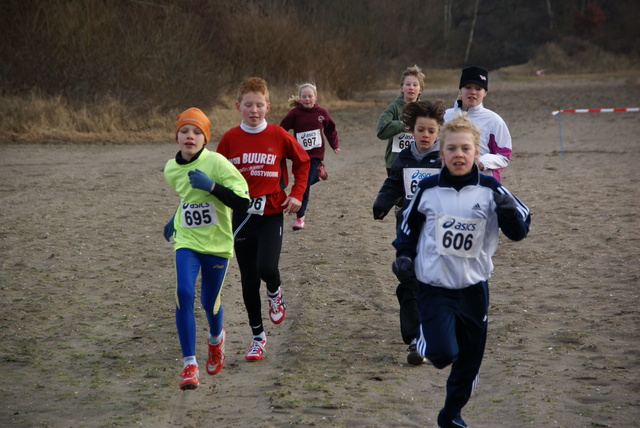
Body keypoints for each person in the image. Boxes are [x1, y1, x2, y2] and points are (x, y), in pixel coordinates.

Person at [392, 114, 530, 427]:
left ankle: (450, 415)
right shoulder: (428, 189)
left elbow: (520, 231)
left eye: (465, 149)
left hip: (474, 288)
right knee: (442, 354)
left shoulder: (492, 190)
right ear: (442, 154)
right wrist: (403, 255)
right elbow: (407, 225)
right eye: (451, 149)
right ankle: (423, 335)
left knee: (468, 363)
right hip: (435, 286)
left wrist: (509, 216)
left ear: (476, 152)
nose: (458, 155)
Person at [216, 77, 310, 361]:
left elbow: (303, 161)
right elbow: (215, 173)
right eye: (248, 105)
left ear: (268, 106)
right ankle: (258, 337)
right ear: (238, 106)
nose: (253, 110)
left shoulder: (279, 135)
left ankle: (274, 289)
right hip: (242, 217)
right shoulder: (230, 139)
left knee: (267, 267)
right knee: (246, 281)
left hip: (271, 213)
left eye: (259, 105)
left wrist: (296, 193)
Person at [163, 108, 250, 390]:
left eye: (197, 132)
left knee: (209, 302)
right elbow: (187, 200)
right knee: (184, 292)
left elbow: (243, 201)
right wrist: (174, 219)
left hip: (218, 244)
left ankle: (216, 339)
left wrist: (212, 186)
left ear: (205, 139)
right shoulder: (171, 169)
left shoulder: (218, 163)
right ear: (177, 136)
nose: (190, 136)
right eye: (185, 131)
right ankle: (189, 364)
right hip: (187, 241)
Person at [372, 99, 445, 365]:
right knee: (408, 279)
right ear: (411, 131)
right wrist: (382, 204)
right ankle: (415, 339)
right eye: (421, 130)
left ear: (438, 133)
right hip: (408, 228)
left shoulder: (444, 159)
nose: (425, 135)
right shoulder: (403, 158)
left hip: (439, 233)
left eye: (431, 131)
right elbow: (392, 184)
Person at [280, 82, 340, 230]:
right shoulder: (295, 114)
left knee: (304, 184)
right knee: (303, 182)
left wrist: (335, 145)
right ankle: (319, 175)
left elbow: (330, 130)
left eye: (310, 96)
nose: (307, 99)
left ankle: (300, 218)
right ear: (300, 98)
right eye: (304, 96)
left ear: (315, 97)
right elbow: (282, 129)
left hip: (315, 155)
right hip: (299, 155)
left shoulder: (322, 113)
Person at [443, 66, 512, 182]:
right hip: (450, 180)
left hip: (483, 181)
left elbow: (504, 155)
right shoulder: (445, 116)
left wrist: (483, 162)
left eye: (478, 88)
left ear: (485, 92)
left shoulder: (494, 121)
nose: (473, 92)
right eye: (468, 87)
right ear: (460, 89)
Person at [376, 65, 425, 176]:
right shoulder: (393, 108)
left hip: (418, 161)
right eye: (407, 84)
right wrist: (401, 126)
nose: (411, 88)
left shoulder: (424, 110)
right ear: (401, 88)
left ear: (420, 90)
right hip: (395, 162)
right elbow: (380, 131)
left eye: (415, 85)